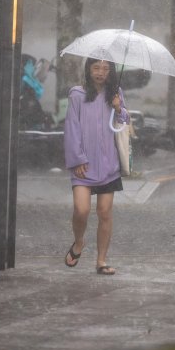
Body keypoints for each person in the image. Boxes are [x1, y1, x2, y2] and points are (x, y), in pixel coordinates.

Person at [63, 58, 128, 275]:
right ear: (89, 69)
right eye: (96, 68)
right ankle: (79, 241)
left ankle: (101, 260)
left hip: (109, 164)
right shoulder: (77, 94)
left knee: (104, 212)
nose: (101, 73)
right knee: (81, 210)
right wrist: (78, 159)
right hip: (84, 164)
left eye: (106, 69)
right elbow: (72, 127)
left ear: (111, 71)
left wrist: (119, 108)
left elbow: (124, 122)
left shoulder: (115, 93)